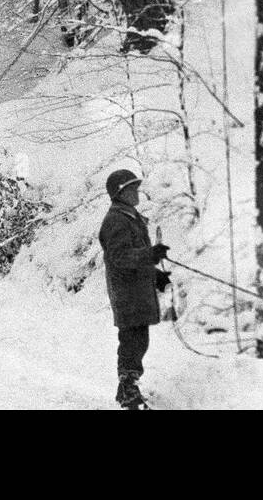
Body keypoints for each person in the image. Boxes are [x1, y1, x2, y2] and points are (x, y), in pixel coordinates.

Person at [98, 169, 171, 409]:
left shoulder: (130, 217)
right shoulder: (116, 220)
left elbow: (133, 255)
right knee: (132, 342)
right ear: (120, 194)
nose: (136, 191)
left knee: (138, 341)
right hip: (127, 294)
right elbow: (120, 257)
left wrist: (156, 275)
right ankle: (129, 393)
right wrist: (150, 255)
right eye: (131, 188)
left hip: (136, 290)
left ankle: (126, 391)